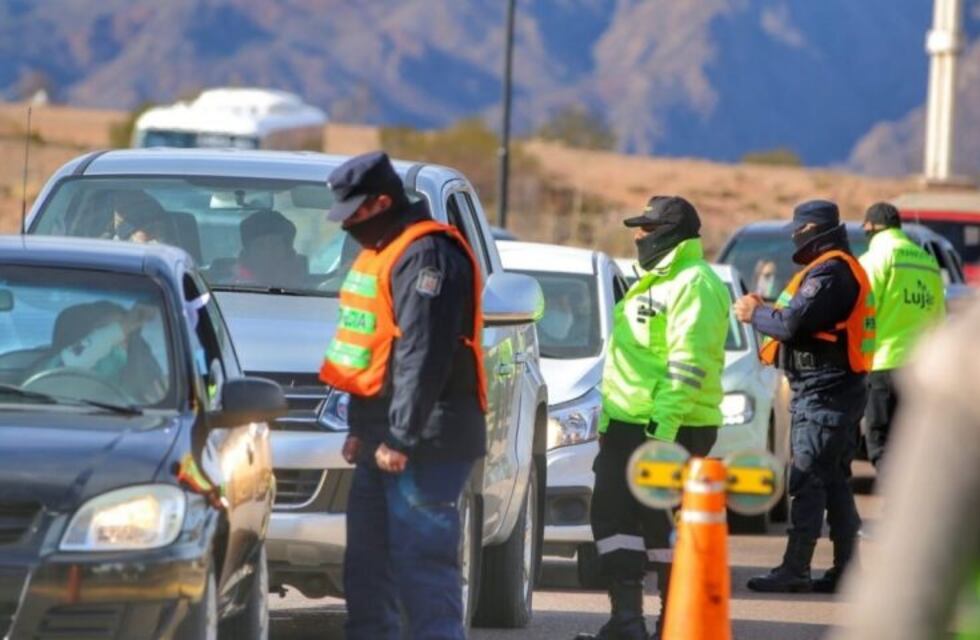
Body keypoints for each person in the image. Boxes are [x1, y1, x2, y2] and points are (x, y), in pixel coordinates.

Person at [318, 151, 487, 640]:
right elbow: (372, 352)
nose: (347, 222)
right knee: (367, 571)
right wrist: (360, 430)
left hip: (427, 441)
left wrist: (400, 435)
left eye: (354, 211)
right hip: (382, 437)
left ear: (383, 202)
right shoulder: (381, 250)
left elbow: (423, 352)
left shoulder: (426, 254)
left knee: (422, 569)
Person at [576, 195, 729, 640]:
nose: (638, 236)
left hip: (670, 427)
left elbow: (687, 365)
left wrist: (661, 432)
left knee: (661, 525)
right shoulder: (656, 279)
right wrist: (610, 425)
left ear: (669, 234)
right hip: (629, 426)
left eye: (646, 229)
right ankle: (626, 620)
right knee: (613, 518)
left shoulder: (693, 283)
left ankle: (673, 623)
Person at [734, 200, 873, 594]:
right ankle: (847, 571)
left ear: (813, 232)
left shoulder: (831, 272)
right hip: (831, 390)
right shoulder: (835, 268)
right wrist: (767, 309)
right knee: (833, 484)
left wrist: (753, 314)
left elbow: (793, 323)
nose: (794, 237)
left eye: (799, 230)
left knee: (807, 481)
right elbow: (800, 316)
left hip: (825, 392)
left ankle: (795, 569)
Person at [831, 297, 980, 640]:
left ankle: (893, 513)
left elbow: (900, 609)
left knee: (881, 446)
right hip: (908, 361)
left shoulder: (968, 361)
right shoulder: (923, 259)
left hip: (883, 365)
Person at [858, 202, 945, 470]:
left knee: (880, 442)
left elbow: (862, 310)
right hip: (921, 367)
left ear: (870, 228)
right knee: (909, 443)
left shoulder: (874, 259)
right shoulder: (928, 262)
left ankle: (901, 506)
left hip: (883, 363)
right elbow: (939, 317)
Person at [236, 209, 308, 287]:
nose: (268, 252)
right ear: (248, 254)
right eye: (260, 246)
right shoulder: (230, 290)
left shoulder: (310, 293)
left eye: (275, 245)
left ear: (287, 252)